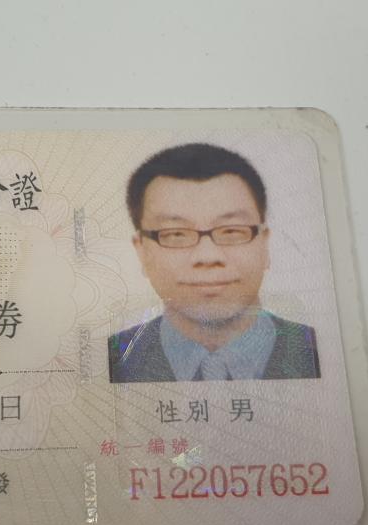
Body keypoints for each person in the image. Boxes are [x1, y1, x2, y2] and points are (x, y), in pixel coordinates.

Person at [108, 143, 322, 383]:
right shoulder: (114, 360)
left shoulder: (319, 351)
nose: (207, 256)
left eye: (231, 231)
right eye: (176, 233)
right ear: (141, 251)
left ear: (264, 244)